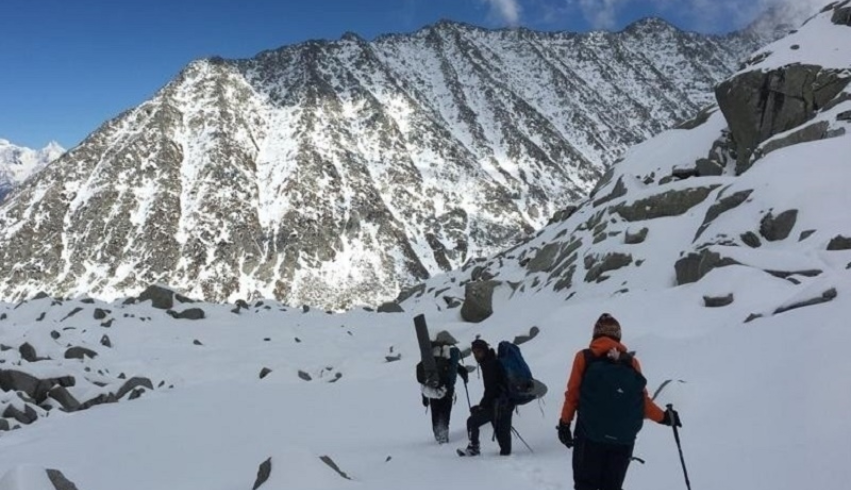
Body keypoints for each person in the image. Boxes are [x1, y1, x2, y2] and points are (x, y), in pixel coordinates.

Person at [557, 313, 682, 490]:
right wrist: (665, 417)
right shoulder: (631, 363)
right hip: (623, 440)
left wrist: (564, 423)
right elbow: (642, 402)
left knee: (585, 486)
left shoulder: (584, 357)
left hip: (588, 437)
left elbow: (573, 395)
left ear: (596, 335)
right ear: (618, 336)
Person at [460, 339, 514, 456]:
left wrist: (482, 406)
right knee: (504, 445)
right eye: (474, 353)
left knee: (472, 421)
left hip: (499, 404)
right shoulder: (491, 361)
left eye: (478, 352)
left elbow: (491, 389)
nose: (476, 355)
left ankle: (474, 448)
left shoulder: (490, 364)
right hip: (505, 403)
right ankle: (506, 458)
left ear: (484, 350)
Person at [417, 341, 469, 444]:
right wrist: (463, 373)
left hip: (433, 390)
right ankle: (443, 438)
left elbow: (424, 376)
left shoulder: (430, 357)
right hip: (447, 390)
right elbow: (456, 367)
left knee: (436, 415)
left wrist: (424, 396)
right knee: (444, 415)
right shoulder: (448, 355)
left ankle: (440, 438)